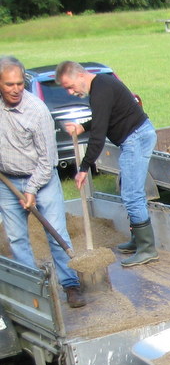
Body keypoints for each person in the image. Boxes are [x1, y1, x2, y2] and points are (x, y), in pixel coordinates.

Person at [0, 56, 85, 308]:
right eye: (8, 85)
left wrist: (32, 190)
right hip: (7, 182)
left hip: (42, 179)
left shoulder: (37, 110)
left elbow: (48, 160)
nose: (15, 89)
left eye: (19, 84)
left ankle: (70, 285)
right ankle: (35, 291)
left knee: (56, 233)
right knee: (16, 239)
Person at [55, 60, 158, 267]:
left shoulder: (100, 91)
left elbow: (99, 136)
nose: (70, 92)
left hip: (136, 138)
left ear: (80, 76)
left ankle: (147, 249)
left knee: (132, 194)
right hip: (136, 136)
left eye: (70, 86)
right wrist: (83, 127)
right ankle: (138, 240)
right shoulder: (100, 85)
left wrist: (84, 168)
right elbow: (104, 117)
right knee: (130, 192)